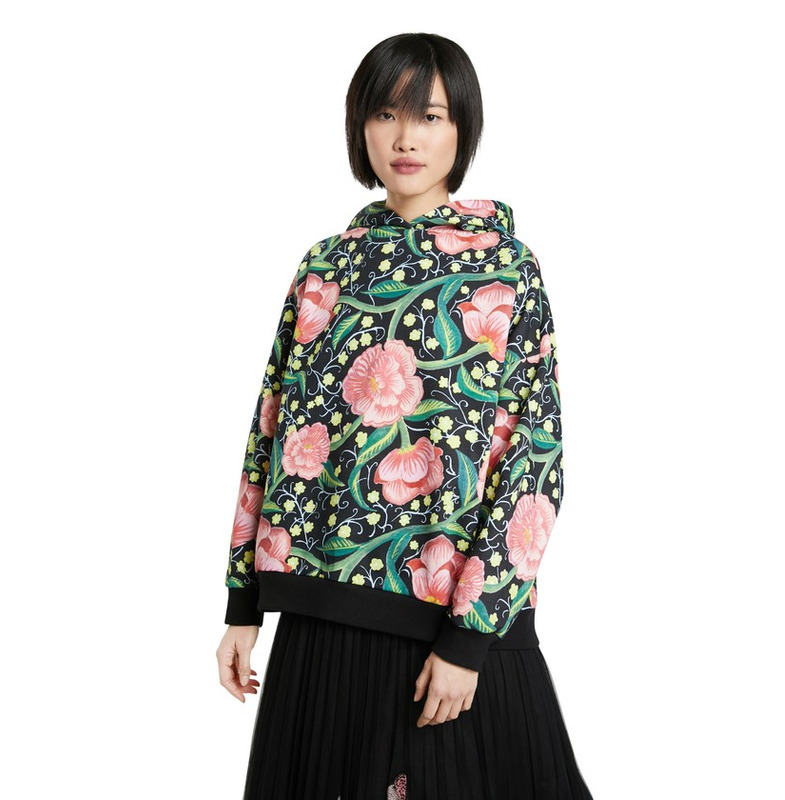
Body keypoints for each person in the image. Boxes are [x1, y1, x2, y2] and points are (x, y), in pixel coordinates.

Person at [216, 31, 595, 800]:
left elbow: (535, 461)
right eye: (385, 114)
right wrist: (243, 602)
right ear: (359, 125)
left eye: (429, 116)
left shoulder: (505, 268)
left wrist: (470, 637)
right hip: (318, 619)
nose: (405, 138)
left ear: (463, 129)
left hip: (443, 624)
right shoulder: (326, 264)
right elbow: (272, 428)